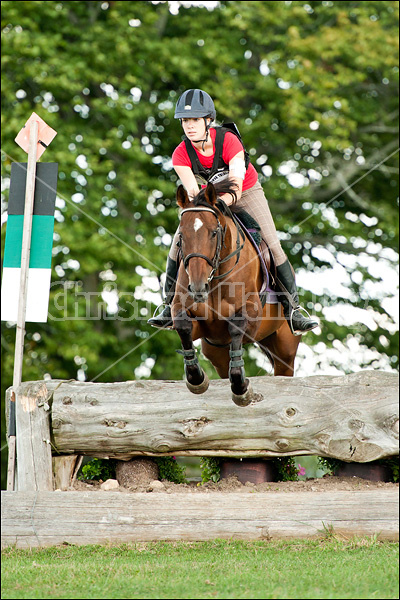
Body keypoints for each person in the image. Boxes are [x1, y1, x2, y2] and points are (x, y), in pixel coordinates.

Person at [148, 88, 318, 335]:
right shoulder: (180, 154)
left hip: (245, 192)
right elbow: (194, 195)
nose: (190, 126)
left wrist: (215, 204)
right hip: (207, 200)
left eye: (195, 120)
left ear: (208, 120)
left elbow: (236, 188)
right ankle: (168, 305)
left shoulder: (228, 140)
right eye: (185, 121)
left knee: (272, 242)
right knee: (178, 244)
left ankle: (293, 309)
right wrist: (201, 211)